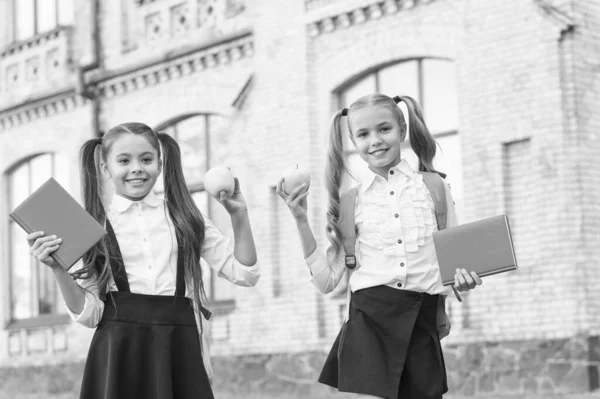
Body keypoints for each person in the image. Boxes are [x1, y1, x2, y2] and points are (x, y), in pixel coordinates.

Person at [26, 122, 261, 399]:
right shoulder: (92, 226)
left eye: (146, 159)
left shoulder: (186, 216)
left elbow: (245, 273)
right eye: (124, 160)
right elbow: (90, 315)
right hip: (118, 354)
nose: (136, 167)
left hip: (178, 349)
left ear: (159, 164)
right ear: (105, 168)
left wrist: (239, 216)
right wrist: (58, 267)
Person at [277, 94, 482, 399]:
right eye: (363, 134)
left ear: (402, 129)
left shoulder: (435, 188)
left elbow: (457, 270)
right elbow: (326, 282)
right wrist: (300, 220)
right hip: (369, 324)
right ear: (353, 141)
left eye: (384, 129)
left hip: (421, 321)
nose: (375, 140)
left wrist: (465, 282)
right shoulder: (350, 202)